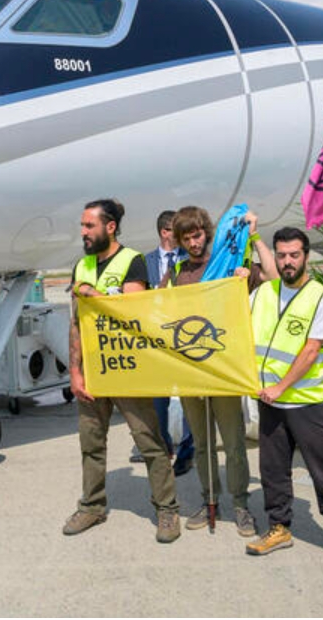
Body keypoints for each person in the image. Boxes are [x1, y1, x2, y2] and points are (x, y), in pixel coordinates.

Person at [62, 198, 181, 543]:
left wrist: (92, 293)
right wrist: (75, 372)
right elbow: (76, 323)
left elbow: (132, 315)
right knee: (91, 443)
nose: (83, 232)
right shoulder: (81, 265)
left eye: (89, 226)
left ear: (110, 227)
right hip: (93, 372)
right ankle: (92, 507)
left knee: (149, 442)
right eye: (82, 226)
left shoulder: (134, 262)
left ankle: (167, 510)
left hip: (127, 368)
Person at [245, 227, 323, 569]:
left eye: (294, 255)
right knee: (273, 470)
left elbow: (311, 351)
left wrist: (280, 387)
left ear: (306, 256)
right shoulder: (263, 293)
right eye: (281, 255)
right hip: (270, 403)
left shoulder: (321, 297)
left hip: (308, 402)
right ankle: (279, 528)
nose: (288, 261)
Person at [166, 205, 274, 537]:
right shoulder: (177, 273)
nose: (194, 242)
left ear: (207, 233)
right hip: (191, 371)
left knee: (234, 443)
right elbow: (156, 310)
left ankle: (240, 505)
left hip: (225, 370)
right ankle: (208, 499)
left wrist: (254, 236)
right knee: (201, 444)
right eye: (187, 238)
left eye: (197, 235)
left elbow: (271, 277)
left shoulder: (231, 264)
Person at [134, 210, 195, 475]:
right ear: (165, 232)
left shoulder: (191, 260)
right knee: (158, 404)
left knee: (191, 402)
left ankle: (187, 455)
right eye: (176, 230)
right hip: (156, 344)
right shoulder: (144, 262)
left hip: (185, 341)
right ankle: (165, 447)